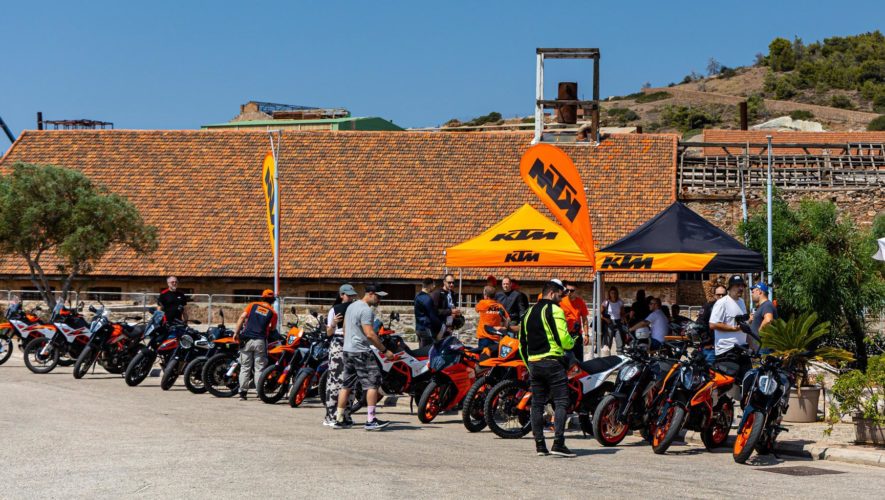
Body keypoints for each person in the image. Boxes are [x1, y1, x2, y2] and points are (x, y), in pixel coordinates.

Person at [519, 279, 577, 458]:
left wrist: (529, 365)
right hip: (552, 362)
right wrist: (573, 341)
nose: (562, 298)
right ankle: (558, 443)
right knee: (561, 402)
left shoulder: (528, 313)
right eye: (560, 295)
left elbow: (522, 344)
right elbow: (564, 340)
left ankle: (540, 446)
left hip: (534, 363)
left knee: (537, 404)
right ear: (551, 293)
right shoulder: (555, 310)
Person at [335, 284, 396, 431]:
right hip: (361, 351)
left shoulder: (351, 306)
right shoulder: (366, 310)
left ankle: (340, 419)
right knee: (372, 384)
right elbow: (369, 334)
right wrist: (385, 350)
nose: (379, 300)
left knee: (346, 385)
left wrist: (350, 341)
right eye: (378, 296)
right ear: (371, 293)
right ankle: (371, 420)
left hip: (348, 350)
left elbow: (344, 328)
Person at [232, 289, 278, 401]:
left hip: (246, 340)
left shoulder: (252, 305)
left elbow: (242, 317)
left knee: (245, 367)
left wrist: (236, 332)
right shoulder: (273, 313)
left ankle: (242, 393)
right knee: (259, 368)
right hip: (260, 341)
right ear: (273, 300)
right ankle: (259, 392)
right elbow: (272, 328)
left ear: (262, 297)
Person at [323, 284, 359, 427]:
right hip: (338, 343)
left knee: (351, 382)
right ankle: (331, 416)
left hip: (352, 343)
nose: (350, 298)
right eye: (348, 295)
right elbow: (329, 333)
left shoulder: (355, 308)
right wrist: (333, 323)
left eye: (352, 295)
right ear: (341, 295)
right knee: (336, 381)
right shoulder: (334, 309)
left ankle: (346, 415)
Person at [709, 275, 752, 379]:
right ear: (730, 288)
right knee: (729, 384)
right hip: (727, 351)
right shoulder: (722, 303)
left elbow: (742, 324)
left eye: (742, 286)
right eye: (737, 286)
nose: (741, 288)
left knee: (748, 379)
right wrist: (733, 329)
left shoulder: (741, 302)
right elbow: (713, 324)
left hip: (742, 348)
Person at [559, 282, 590, 361]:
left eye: (572, 290)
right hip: (565, 335)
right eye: (567, 290)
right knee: (566, 360)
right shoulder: (561, 302)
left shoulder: (580, 302)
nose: (569, 292)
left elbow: (584, 319)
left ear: (576, 291)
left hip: (577, 334)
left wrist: (586, 335)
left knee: (579, 360)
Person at [475, 286, 510, 353]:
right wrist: (504, 328)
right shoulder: (499, 306)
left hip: (484, 338)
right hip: (496, 338)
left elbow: (476, 309)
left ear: (486, 296)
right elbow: (508, 319)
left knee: (483, 357)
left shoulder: (482, 303)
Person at [431, 274, 460, 340]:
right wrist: (450, 311)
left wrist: (456, 314)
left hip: (449, 327)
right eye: (449, 282)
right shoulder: (437, 293)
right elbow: (434, 311)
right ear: (444, 282)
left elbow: (453, 307)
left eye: (453, 282)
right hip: (439, 327)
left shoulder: (453, 294)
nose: (451, 284)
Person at [414, 278, 442, 348]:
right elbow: (432, 315)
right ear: (430, 285)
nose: (434, 286)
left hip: (418, 328)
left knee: (421, 350)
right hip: (426, 329)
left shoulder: (417, 296)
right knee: (427, 351)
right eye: (433, 285)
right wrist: (441, 326)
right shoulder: (427, 298)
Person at [601, 287, 625, 354]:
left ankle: (620, 358)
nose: (613, 294)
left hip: (618, 323)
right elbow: (599, 314)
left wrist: (623, 319)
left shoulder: (620, 302)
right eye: (612, 293)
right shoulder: (606, 302)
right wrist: (606, 319)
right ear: (609, 293)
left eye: (615, 293)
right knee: (607, 344)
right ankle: (608, 358)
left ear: (617, 293)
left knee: (620, 343)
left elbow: (623, 314)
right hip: (609, 323)